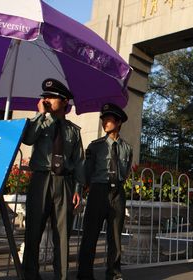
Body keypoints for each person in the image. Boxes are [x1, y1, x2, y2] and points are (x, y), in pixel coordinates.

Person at [22, 78, 84, 280]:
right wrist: (41, 115)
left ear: (65, 101)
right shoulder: (40, 123)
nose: (46, 99)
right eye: (45, 96)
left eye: (52, 97)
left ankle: (62, 276)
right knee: (33, 232)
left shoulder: (73, 131)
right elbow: (28, 139)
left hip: (64, 183)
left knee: (62, 235)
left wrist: (78, 189)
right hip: (41, 180)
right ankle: (30, 276)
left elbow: (79, 162)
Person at [77, 103, 133, 280]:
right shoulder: (95, 146)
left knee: (115, 237)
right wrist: (82, 189)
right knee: (90, 235)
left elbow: (126, 171)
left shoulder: (127, 148)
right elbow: (87, 171)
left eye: (108, 119)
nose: (104, 122)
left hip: (118, 193)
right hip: (98, 191)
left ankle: (114, 274)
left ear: (118, 122)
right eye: (103, 119)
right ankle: (85, 274)